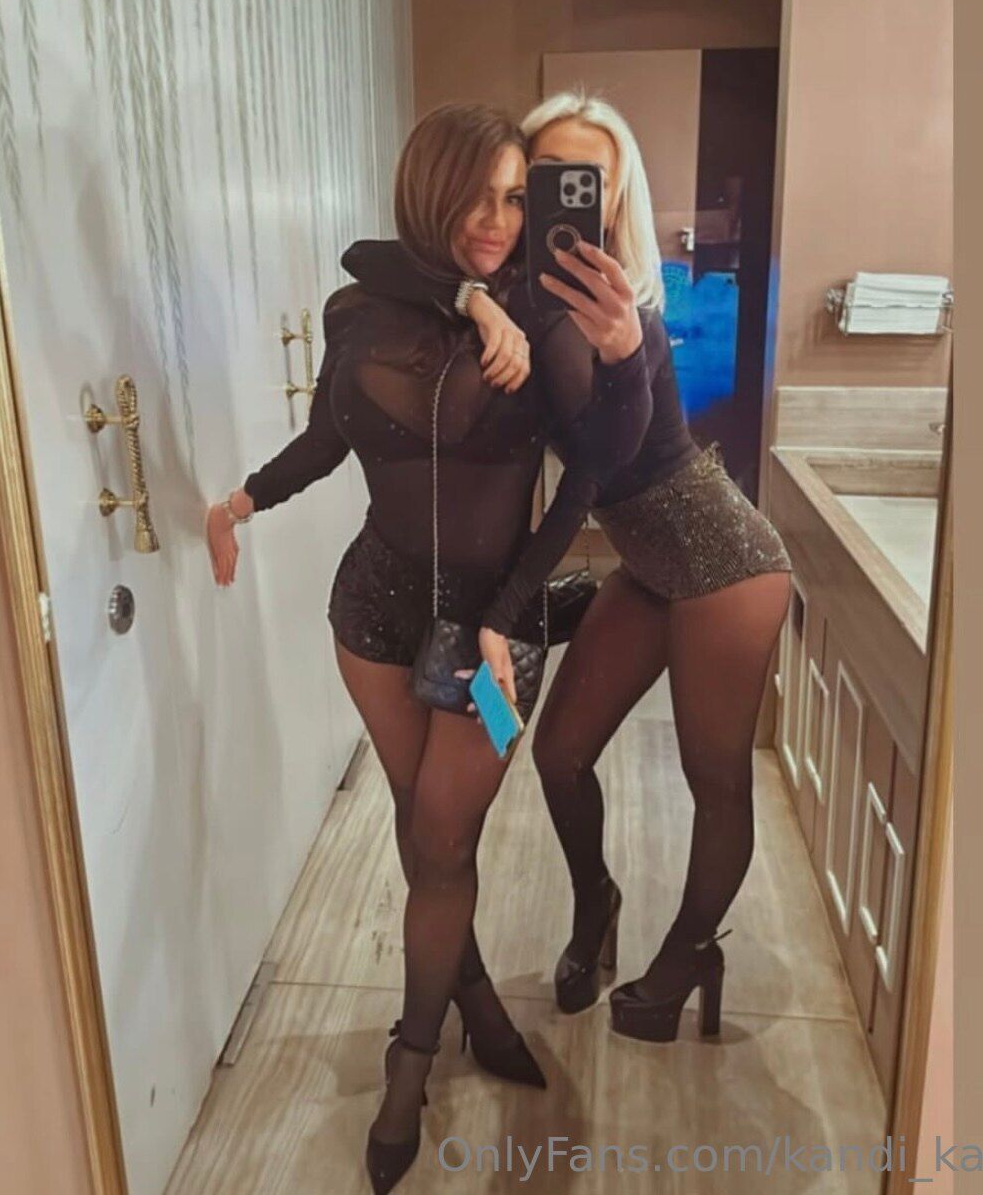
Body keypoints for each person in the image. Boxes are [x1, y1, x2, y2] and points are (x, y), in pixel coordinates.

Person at [205, 103, 651, 1194]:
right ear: (429, 192)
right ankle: (477, 998)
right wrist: (243, 500)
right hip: (371, 616)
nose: (498, 220)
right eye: (477, 196)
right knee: (426, 835)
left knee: (444, 837)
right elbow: (328, 432)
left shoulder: (551, 316)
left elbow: (589, 476)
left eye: (515, 198)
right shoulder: (363, 308)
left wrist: (509, 613)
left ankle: (409, 1063)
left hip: (495, 649)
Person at [363, 90, 793, 1046]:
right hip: (646, 567)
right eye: (545, 176)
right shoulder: (511, 294)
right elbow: (372, 261)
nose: (563, 197)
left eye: (587, 181)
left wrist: (629, 355)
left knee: (715, 779)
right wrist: (473, 296)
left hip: (725, 562)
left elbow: (610, 455)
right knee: (559, 754)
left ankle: (688, 953)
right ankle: (597, 902)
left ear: (614, 196)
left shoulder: (630, 310)